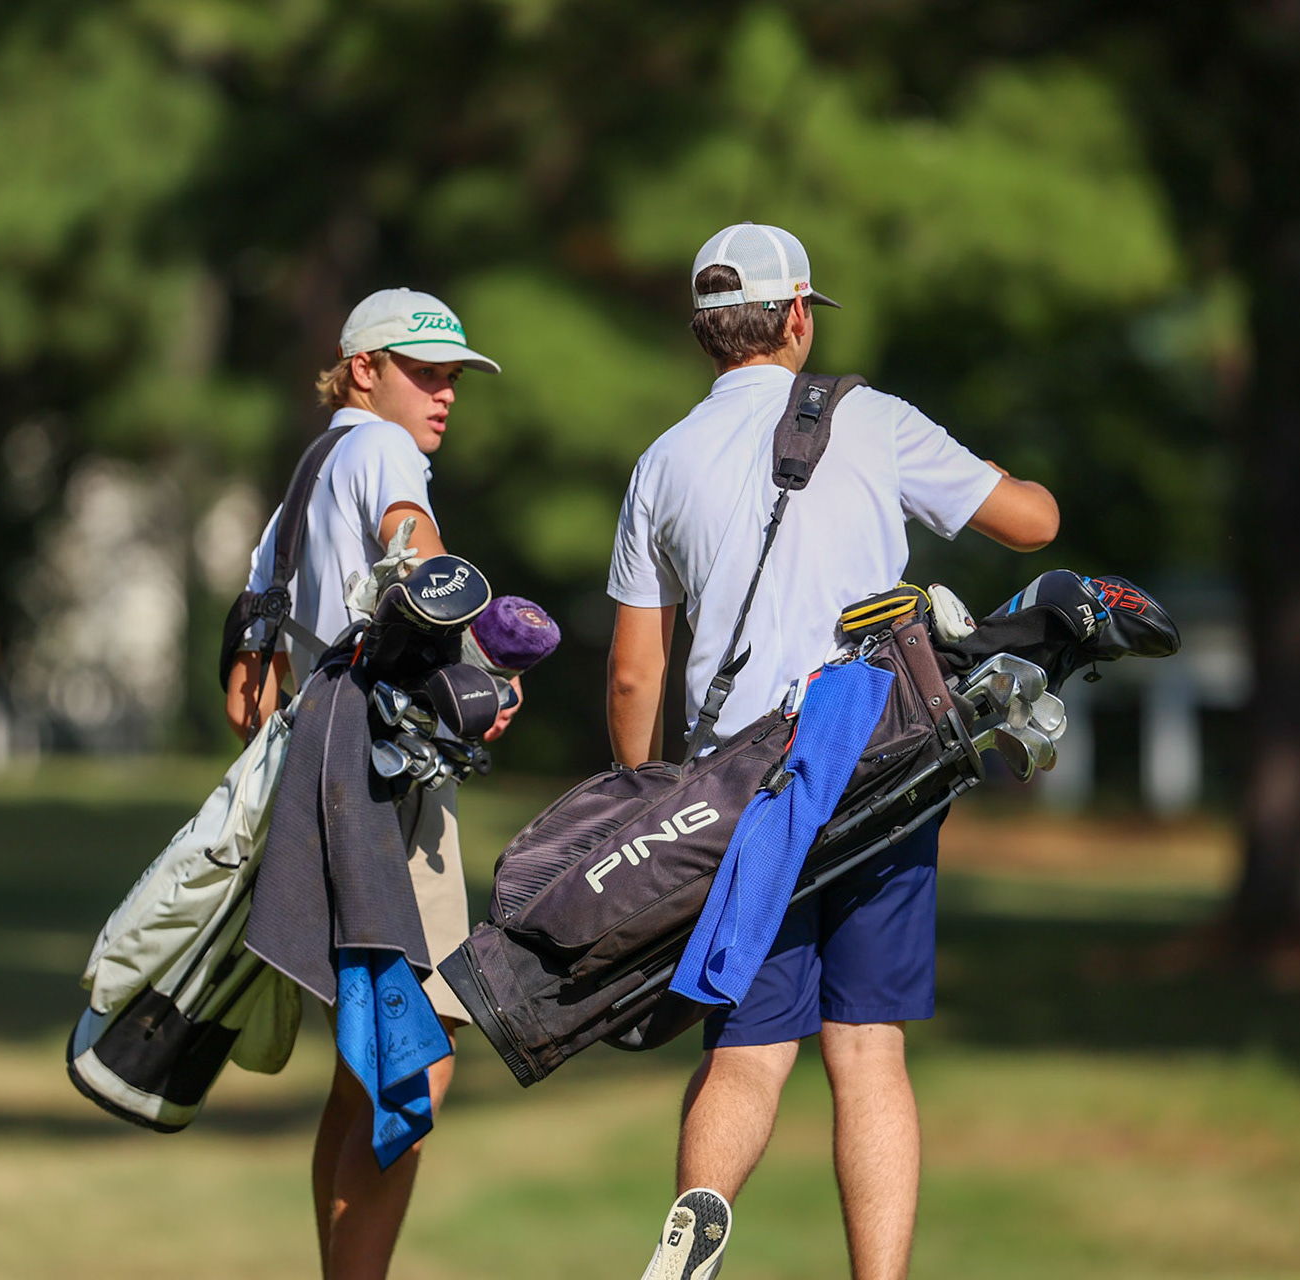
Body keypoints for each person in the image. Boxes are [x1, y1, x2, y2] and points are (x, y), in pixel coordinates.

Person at [606, 224, 1060, 1280]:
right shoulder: (877, 421)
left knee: (750, 1050)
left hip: (743, 791)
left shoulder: (660, 462)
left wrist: (643, 793)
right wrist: (983, 468)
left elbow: (636, 673)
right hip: (879, 767)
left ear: (703, 333)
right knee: (867, 1050)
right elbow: (1032, 522)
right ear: (800, 316)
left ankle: (695, 1224)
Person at [224, 286, 515, 1280]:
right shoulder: (387, 453)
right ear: (363, 370)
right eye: (424, 373)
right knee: (413, 1066)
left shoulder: (307, 475)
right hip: (378, 792)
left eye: (451, 379)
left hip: (315, 780)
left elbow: (245, 686)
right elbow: (411, 538)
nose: (442, 396)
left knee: (359, 1077)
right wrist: (467, 660)